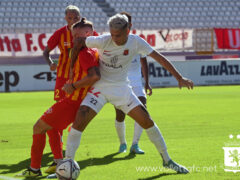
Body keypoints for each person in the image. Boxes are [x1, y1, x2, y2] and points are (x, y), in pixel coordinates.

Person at [66, 14, 193, 174]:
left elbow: (159, 58)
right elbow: (78, 42)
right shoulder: (103, 40)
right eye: (112, 34)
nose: (114, 38)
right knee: (79, 121)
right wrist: (71, 71)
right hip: (100, 88)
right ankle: (66, 164)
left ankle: (167, 160)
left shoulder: (136, 42)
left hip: (121, 89)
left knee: (147, 121)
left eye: (117, 35)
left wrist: (179, 78)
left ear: (128, 30)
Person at [17, 19, 100, 177]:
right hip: (77, 100)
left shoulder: (85, 53)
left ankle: (35, 169)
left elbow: (95, 75)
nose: (74, 39)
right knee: (53, 128)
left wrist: (73, 85)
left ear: (88, 34)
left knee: (38, 127)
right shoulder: (94, 50)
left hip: (72, 102)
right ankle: (58, 162)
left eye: (77, 35)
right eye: (73, 35)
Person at [42, 5, 81, 173]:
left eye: (76, 18)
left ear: (80, 18)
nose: (73, 20)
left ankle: (66, 149)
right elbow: (46, 51)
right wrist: (50, 62)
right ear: (66, 18)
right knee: (57, 117)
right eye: (70, 18)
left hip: (79, 80)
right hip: (62, 79)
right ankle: (58, 153)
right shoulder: (60, 33)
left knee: (75, 115)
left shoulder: (87, 33)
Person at [114, 12, 152, 154]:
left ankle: (135, 144)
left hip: (136, 83)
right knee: (120, 114)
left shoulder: (137, 41)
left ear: (130, 25)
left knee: (143, 110)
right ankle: (122, 143)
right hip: (120, 83)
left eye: (127, 22)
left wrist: (147, 83)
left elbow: (144, 61)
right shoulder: (114, 41)